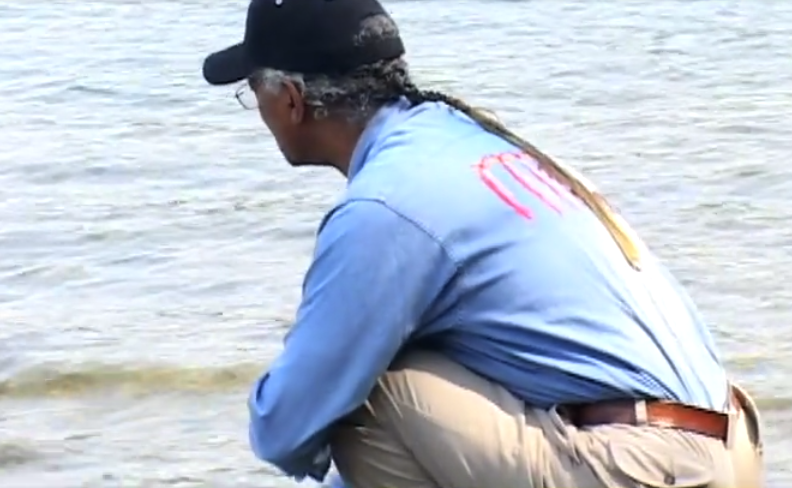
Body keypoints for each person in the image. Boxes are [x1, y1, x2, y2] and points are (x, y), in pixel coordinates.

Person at [201, 0, 764, 487]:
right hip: (724, 442)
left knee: (363, 398)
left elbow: (285, 427)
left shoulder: (385, 207)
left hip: (651, 465)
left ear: (292, 100)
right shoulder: (462, 139)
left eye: (254, 93)